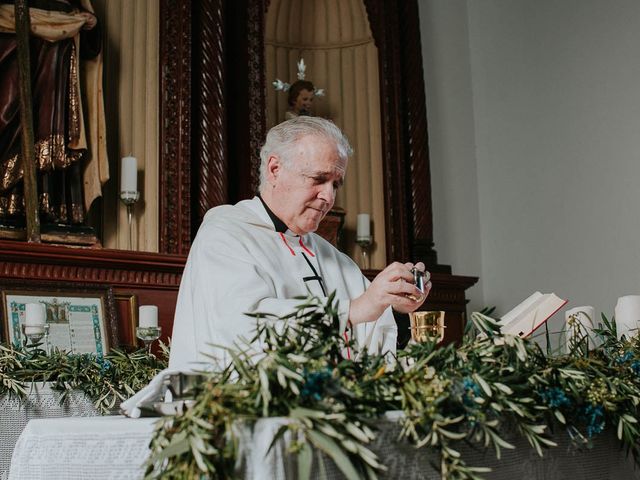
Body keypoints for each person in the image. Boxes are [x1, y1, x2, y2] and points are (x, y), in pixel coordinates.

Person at [169, 116, 431, 371]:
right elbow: (243, 328)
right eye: (318, 179)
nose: (329, 196)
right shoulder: (226, 234)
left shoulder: (331, 256)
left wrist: (395, 306)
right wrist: (351, 310)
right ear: (275, 169)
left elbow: (371, 338)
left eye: (335, 184)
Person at [0, 0, 108, 226]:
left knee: (48, 141)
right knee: (8, 116)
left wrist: (86, 24)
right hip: (12, 52)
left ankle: (48, 205)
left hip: (53, 74)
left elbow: (90, 46)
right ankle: (7, 202)